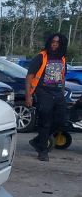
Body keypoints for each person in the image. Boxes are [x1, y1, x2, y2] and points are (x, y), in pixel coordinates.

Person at [25, 33, 68, 162]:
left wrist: (62, 90)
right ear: (49, 42)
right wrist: (28, 96)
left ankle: (38, 140)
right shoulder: (41, 57)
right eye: (53, 42)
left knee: (61, 120)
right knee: (45, 121)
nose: (55, 44)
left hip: (58, 93)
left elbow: (62, 76)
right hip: (43, 92)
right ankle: (42, 150)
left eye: (58, 42)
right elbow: (29, 77)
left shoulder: (63, 58)